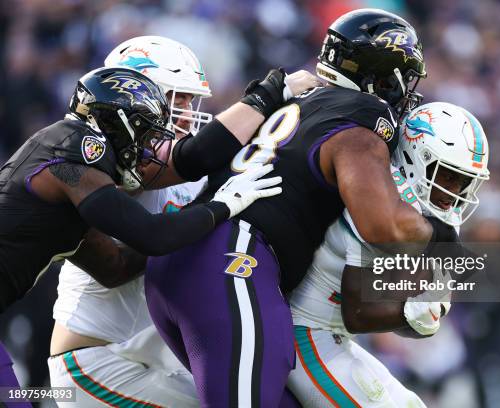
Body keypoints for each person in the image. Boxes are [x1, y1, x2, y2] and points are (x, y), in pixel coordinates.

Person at [143, 8, 458, 407]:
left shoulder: (295, 100)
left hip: (189, 259)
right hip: (233, 262)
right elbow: (383, 225)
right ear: (382, 76)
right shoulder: (363, 115)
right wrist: (438, 235)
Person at [0, 55, 318, 392]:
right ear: (116, 122)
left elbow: (116, 267)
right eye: (146, 134)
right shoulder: (75, 147)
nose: (150, 147)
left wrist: (200, 214)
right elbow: (152, 236)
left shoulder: (69, 187)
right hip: (93, 362)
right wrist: (221, 206)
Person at [287, 102, 491, 407]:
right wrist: (412, 313)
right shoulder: (380, 195)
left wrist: (423, 312)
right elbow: (357, 313)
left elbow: (407, 300)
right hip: (303, 330)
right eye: (447, 175)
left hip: (334, 336)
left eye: (463, 181)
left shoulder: (436, 209)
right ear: (417, 158)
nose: (454, 191)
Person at [48, 36, 209, 407]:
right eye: (177, 98)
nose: (188, 111)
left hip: (143, 358)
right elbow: (151, 178)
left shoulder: (190, 171)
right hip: (92, 365)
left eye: (189, 98)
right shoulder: (105, 163)